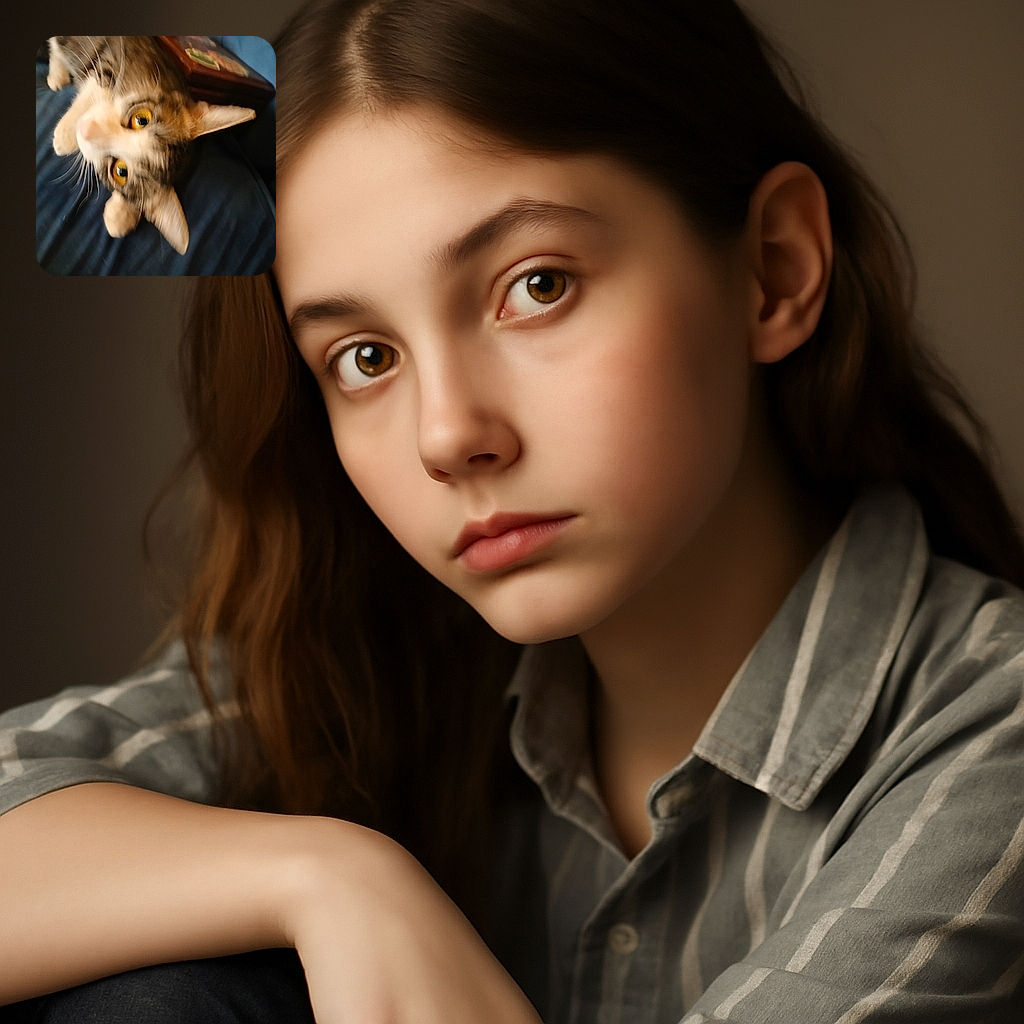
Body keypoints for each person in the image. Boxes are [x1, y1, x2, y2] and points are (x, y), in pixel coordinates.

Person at [2, 0, 1023, 1021]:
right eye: (364, 359)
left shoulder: (991, 733)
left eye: (536, 286)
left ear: (773, 268)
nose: (448, 436)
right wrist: (329, 878)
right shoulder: (372, 662)